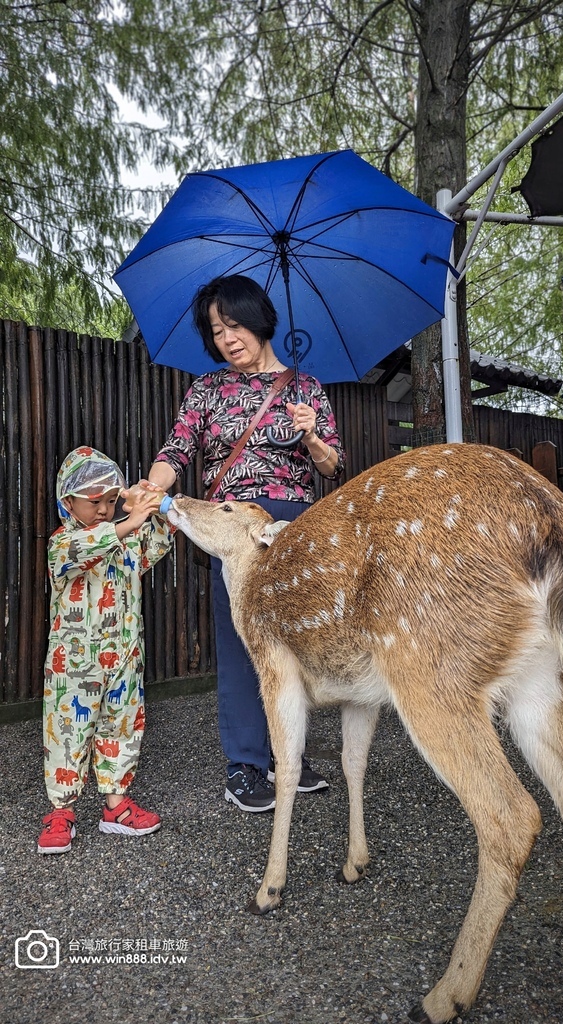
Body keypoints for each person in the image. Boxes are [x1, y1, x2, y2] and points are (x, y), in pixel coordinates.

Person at [131, 273, 346, 812]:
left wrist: (312, 435)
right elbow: (177, 451)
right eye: (216, 330)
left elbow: (332, 468)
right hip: (232, 528)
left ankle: (286, 757)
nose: (227, 338)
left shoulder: (306, 389)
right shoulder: (207, 390)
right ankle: (246, 764)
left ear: (259, 318)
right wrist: (151, 488)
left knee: (290, 642)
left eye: (233, 325)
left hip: (294, 528)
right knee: (240, 642)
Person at [38, 447, 175, 854]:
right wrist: (127, 521)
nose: (104, 509)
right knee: (67, 733)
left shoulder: (128, 544)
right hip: (73, 668)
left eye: (110, 500)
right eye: (94, 501)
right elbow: (86, 548)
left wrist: (151, 503)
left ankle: (115, 806)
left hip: (126, 658)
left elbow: (162, 537)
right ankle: (61, 809)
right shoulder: (62, 544)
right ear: (68, 503)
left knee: (123, 725)